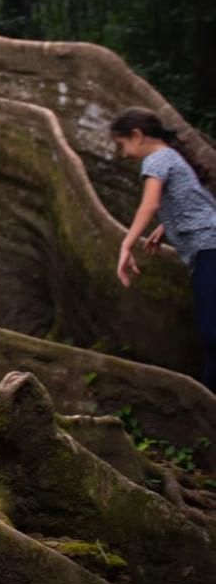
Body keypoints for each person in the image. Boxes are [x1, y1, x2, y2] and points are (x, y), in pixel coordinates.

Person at [110, 107, 216, 391]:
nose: (123, 154)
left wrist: (126, 243)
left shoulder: (156, 160)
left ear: (137, 135)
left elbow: (151, 204)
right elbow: (192, 200)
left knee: (211, 334)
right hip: (207, 247)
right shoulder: (172, 157)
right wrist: (165, 226)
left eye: (122, 145)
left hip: (210, 247)